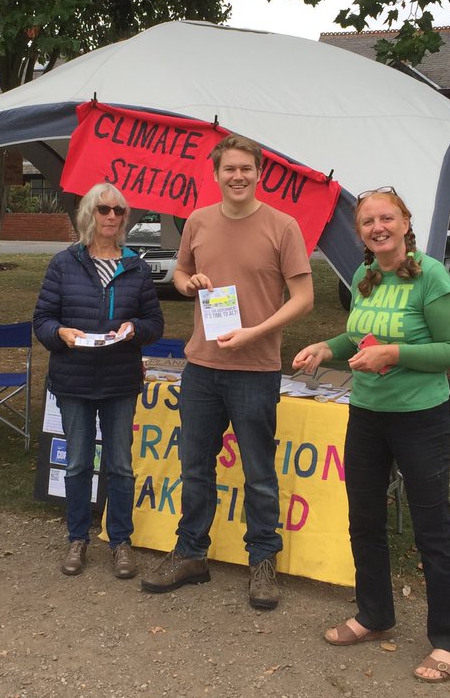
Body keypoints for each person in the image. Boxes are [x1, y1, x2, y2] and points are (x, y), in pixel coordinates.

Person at [291, 188, 450, 684]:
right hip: (366, 413)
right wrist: (326, 347)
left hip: (420, 417)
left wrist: (394, 354)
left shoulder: (431, 276)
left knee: (432, 528)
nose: (377, 227)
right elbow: (357, 336)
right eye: (367, 221)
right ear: (361, 232)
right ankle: (374, 615)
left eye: (386, 217)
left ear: (405, 222)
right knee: (364, 519)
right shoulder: (364, 277)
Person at [140, 134, 313, 610]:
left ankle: (262, 562)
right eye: (229, 169)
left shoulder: (283, 226)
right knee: (195, 469)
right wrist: (187, 281)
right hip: (200, 367)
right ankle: (191, 553)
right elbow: (179, 275)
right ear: (215, 174)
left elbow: (303, 298)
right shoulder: (197, 221)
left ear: (260, 173)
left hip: (256, 369)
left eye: (246, 168)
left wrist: (258, 331)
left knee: (258, 473)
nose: (238, 176)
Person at [33, 183, 164, 579]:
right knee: (76, 463)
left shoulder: (136, 266)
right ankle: (78, 537)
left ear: (125, 218)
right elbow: (42, 320)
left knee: (121, 464)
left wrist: (134, 329)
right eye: (103, 209)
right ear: (89, 214)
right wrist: (61, 334)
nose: (111, 217)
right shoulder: (63, 263)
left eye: (118, 211)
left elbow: (154, 323)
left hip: (120, 380)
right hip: (73, 379)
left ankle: (121, 541)